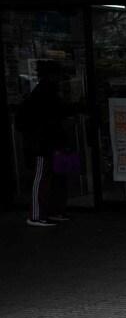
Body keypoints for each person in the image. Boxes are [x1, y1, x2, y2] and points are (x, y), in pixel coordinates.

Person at [15, 60, 71, 228]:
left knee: (49, 177)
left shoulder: (40, 93)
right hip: (47, 143)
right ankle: (41, 214)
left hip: (47, 143)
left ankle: (46, 212)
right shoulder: (46, 94)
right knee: (48, 177)